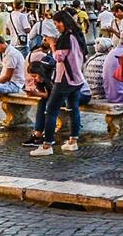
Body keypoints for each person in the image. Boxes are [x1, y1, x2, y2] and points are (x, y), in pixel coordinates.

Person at [30, 10, 88, 156]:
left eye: (57, 23)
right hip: (77, 78)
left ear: (64, 22)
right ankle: (73, 141)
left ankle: (47, 145)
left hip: (64, 79)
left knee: (51, 111)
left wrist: (52, 44)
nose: (56, 27)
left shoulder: (66, 37)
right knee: (73, 109)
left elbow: (59, 57)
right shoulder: (78, 35)